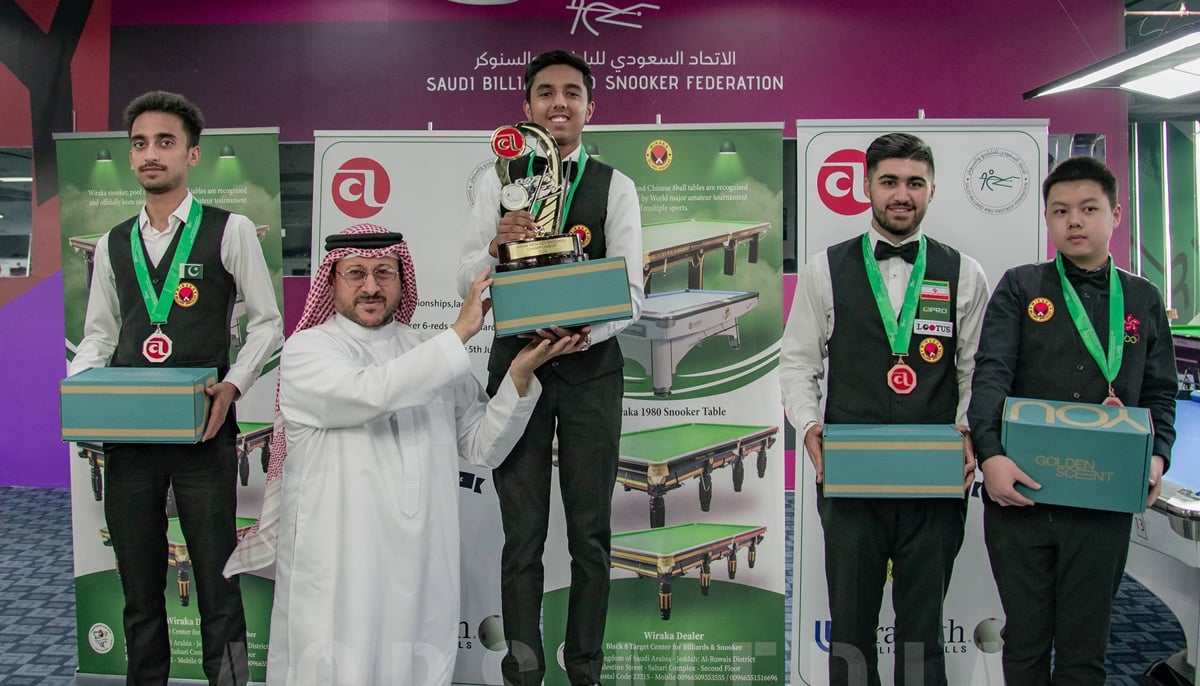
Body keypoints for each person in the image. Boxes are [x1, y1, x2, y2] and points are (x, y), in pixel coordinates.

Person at [244, 224, 580, 686]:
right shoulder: (307, 351)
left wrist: (520, 375)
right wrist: (461, 332)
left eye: (384, 272)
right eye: (356, 273)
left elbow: (483, 443)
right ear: (331, 281)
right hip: (340, 567)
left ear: (402, 279)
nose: (370, 286)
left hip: (421, 566)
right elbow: (373, 393)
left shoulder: (426, 350)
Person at [69, 91, 283, 686]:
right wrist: (79, 386)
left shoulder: (229, 229)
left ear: (192, 154)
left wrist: (235, 386)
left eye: (165, 142)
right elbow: (98, 334)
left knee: (219, 589)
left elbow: (267, 323)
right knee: (139, 593)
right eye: (140, 143)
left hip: (204, 438)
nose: (150, 154)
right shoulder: (114, 243)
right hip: (130, 439)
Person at [457, 49, 643, 686]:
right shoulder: (495, 180)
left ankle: (585, 669)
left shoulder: (616, 185)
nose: (558, 103)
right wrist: (494, 247)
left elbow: (634, 290)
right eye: (544, 93)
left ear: (592, 107)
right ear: (526, 107)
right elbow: (466, 281)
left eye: (571, 93)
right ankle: (523, 671)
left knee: (590, 533)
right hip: (518, 369)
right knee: (523, 535)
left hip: (591, 367)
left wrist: (582, 330)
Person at [780, 132, 988, 686]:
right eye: (890, 181)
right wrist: (809, 427)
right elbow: (798, 362)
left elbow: (977, 371)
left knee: (923, 625)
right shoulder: (825, 269)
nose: (902, 194)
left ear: (932, 191)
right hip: (851, 475)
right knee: (850, 624)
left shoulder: (965, 272)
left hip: (934, 478)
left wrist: (968, 432)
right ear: (866, 186)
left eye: (915, 183)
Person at [968, 155, 1177, 685]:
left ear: (1115, 215)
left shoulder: (1143, 298)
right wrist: (991, 456)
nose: (1074, 221)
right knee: (1026, 641)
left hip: (1101, 497)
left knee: (1087, 646)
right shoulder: (1020, 288)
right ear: (1047, 219)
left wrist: (1156, 457)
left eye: (1088, 208)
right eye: (1060, 210)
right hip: (1021, 495)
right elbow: (991, 376)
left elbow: (1160, 391)